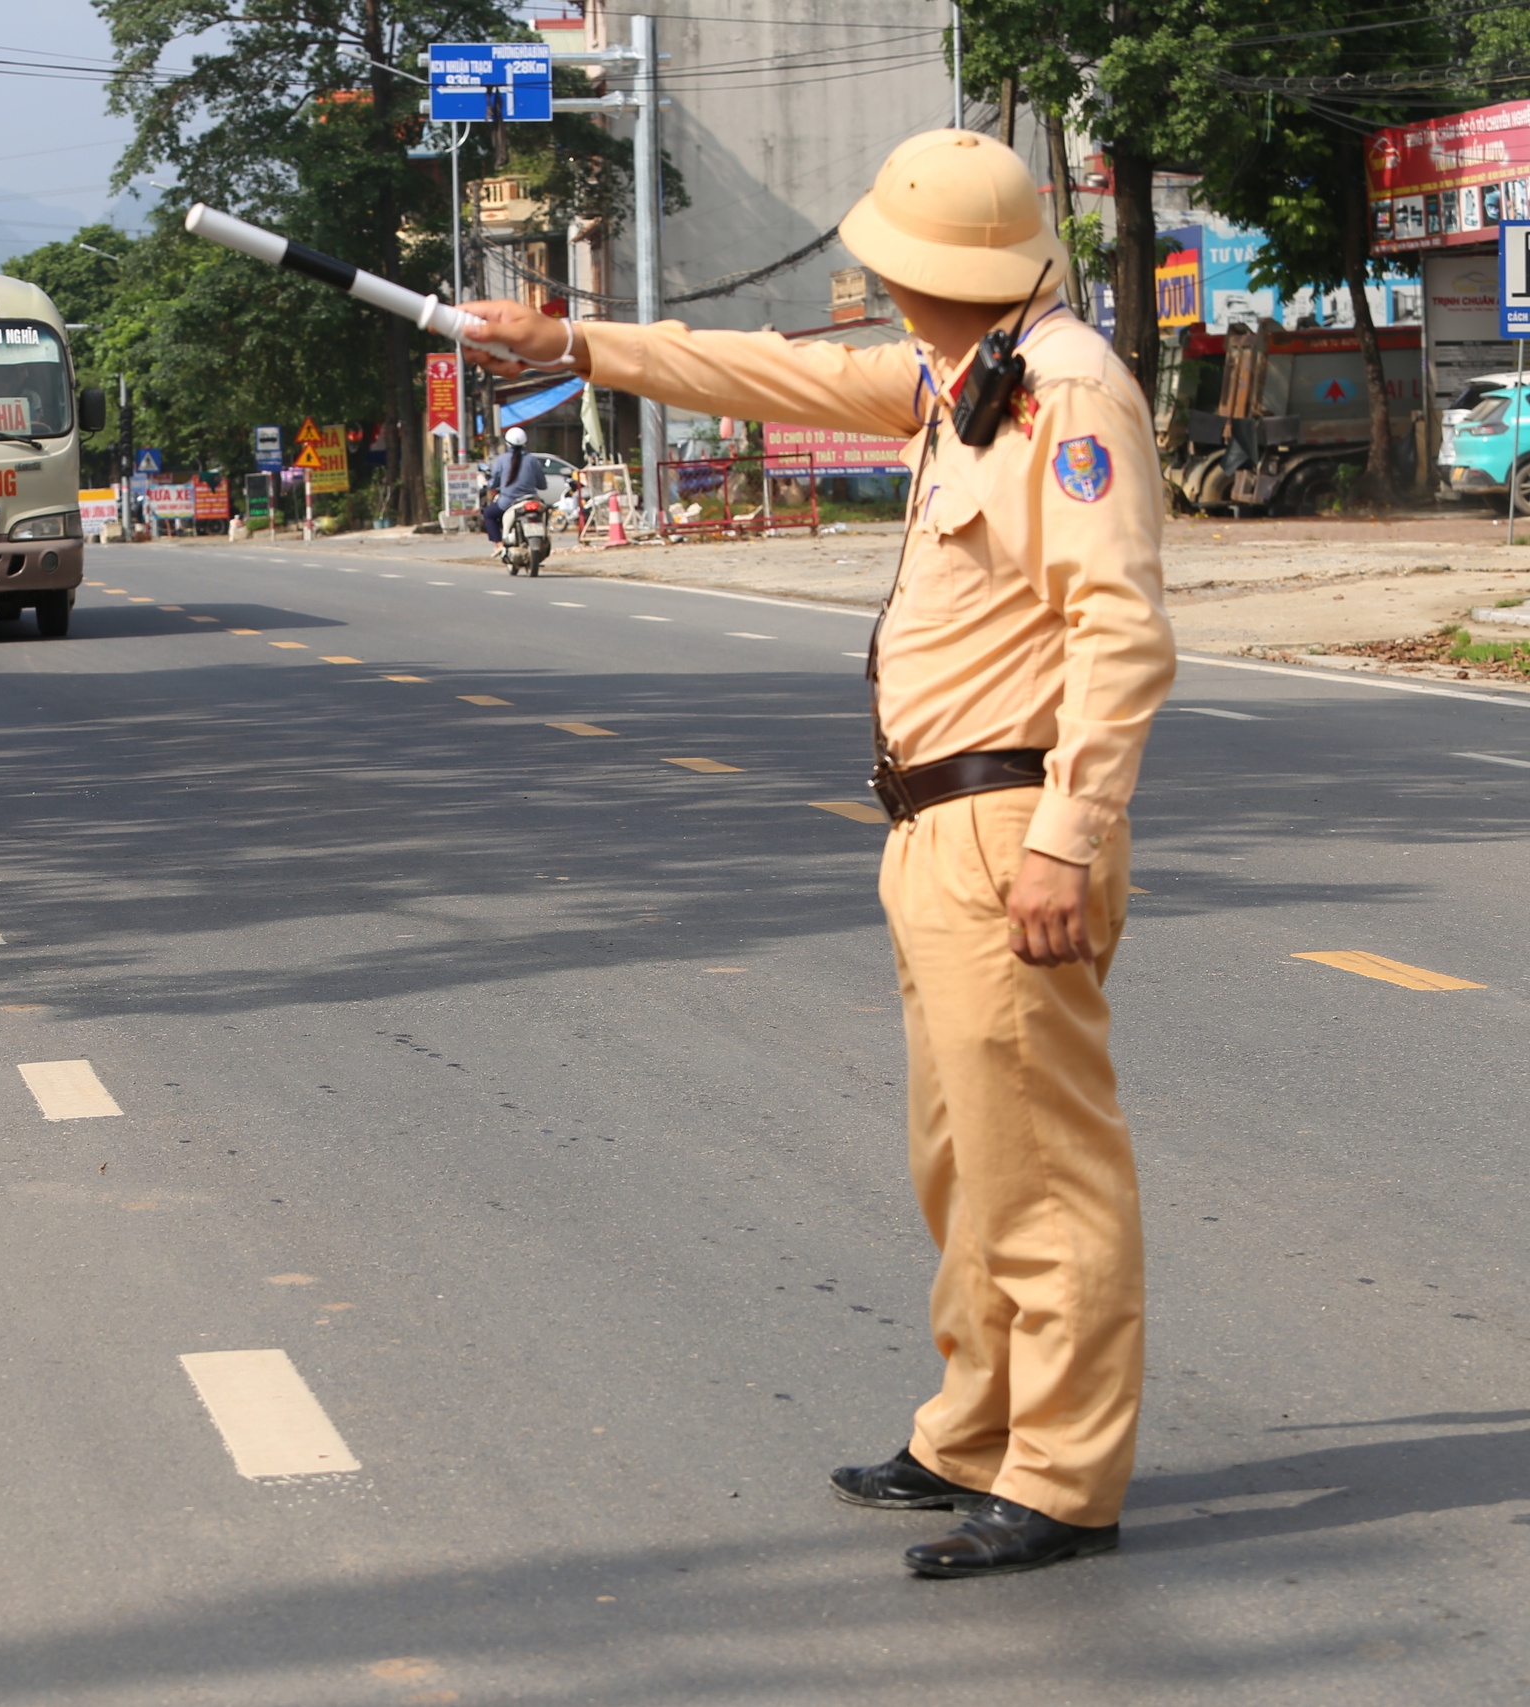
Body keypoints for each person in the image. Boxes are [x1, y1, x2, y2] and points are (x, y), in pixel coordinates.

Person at [454, 129, 1175, 1579]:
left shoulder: (1066, 389)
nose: (879, 289)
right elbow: (763, 370)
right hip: (933, 823)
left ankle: (1065, 1472)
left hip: (1013, 826)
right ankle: (974, 1426)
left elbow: (1121, 629)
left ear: (945, 273)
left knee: (1042, 1168)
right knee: (965, 1162)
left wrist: (1067, 838)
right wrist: (576, 338)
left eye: (897, 268)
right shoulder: (955, 380)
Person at [482, 425, 545, 553]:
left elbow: (494, 482)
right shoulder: (532, 460)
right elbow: (542, 484)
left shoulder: (502, 460)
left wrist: (487, 484)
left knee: (488, 514)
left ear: (507, 443)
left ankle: (499, 544)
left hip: (507, 503)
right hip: (530, 500)